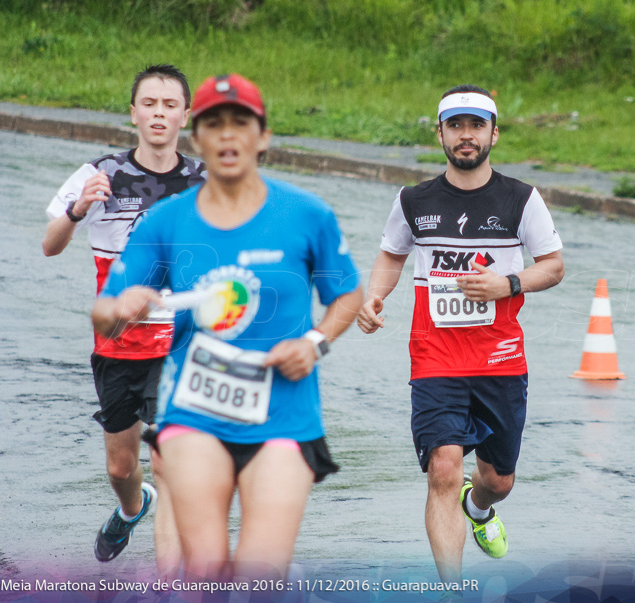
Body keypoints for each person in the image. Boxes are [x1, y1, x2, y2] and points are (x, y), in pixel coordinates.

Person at [91, 73, 363, 580]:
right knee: (205, 572)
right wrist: (122, 302)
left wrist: (316, 342)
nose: (228, 135)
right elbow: (103, 312)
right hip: (196, 412)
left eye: (242, 123)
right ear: (198, 138)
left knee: (262, 574)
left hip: (284, 415)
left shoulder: (307, 214)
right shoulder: (165, 222)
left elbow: (348, 294)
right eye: (215, 124)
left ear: (264, 136)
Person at [356, 85, 565, 584]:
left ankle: (480, 508)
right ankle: (452, 589)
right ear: (441, 134)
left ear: (494, 133)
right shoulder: (414, 201)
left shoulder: (521, 199)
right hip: (436, 360)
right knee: (443, 469)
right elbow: (391, 254)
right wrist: (374, 296)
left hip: (500, 362)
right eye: (455, 126)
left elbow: (554, 266)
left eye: (475, 126)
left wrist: (506, 284)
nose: (465, 136)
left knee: (499, 480)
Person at [42, 64, 202, 573]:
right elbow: (49, 245)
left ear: (185, 115)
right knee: (121, 466)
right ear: (133, 112)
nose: (159, 113)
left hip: (179, 349)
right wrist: (75, 212)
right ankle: (133, 508)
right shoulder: (101, 174)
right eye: (149, 104)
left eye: (169, 104)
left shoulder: (203, 181)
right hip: (116, 347)